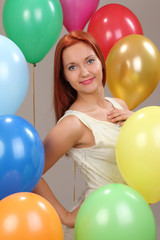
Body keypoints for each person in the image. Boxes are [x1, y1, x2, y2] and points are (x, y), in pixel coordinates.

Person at [33, 30, 133, 239]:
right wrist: (66, 216)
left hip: (129, 218)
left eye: (89, 61)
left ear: (101, 61)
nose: (84, 73)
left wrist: (138, 123)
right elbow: (29, 171)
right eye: (72, 67)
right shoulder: (73, 124)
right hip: (98, 224)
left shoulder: (119, 105)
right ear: (65, 76)